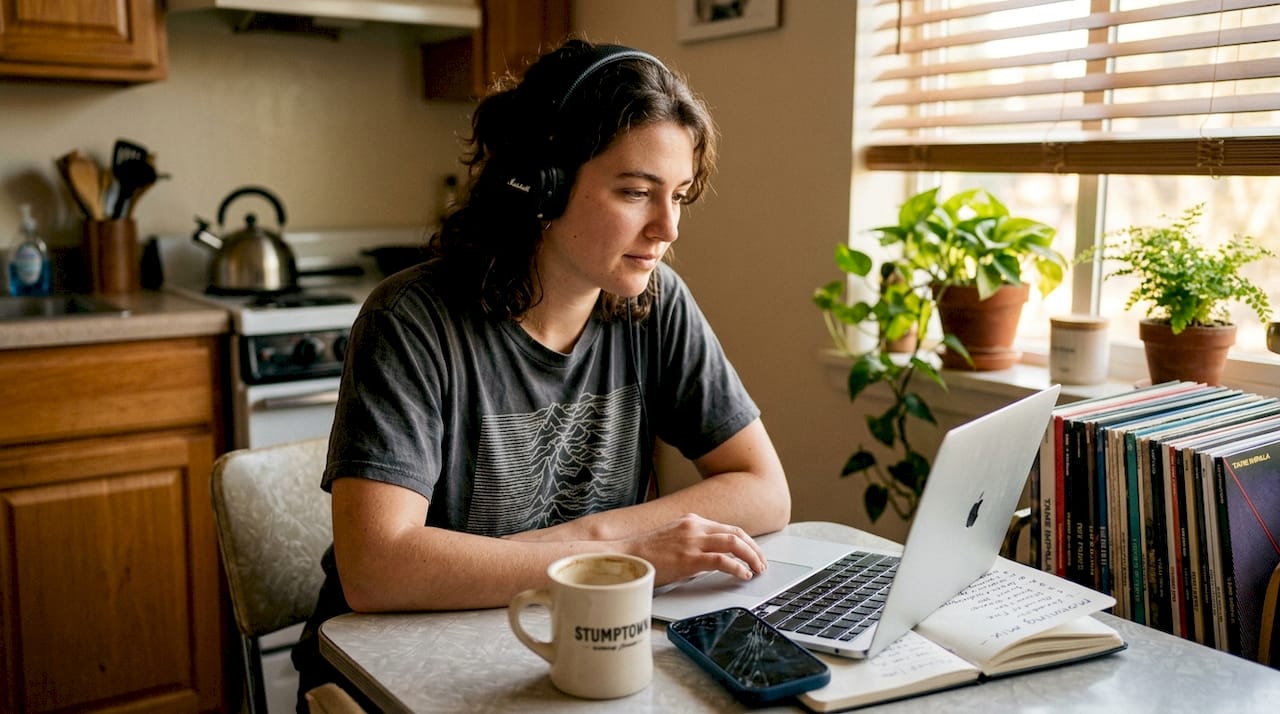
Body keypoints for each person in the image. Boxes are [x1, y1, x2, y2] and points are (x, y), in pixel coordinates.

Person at [292, 37, 792, 707]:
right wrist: (625, 548)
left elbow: (763, 490)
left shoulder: (654, 300)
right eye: (636, 192)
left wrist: (598, 547)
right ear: (543, 183)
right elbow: (378, 569)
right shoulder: (410, 321)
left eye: (677, 195)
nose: (666, 227)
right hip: (386, 672)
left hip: (557, 643)